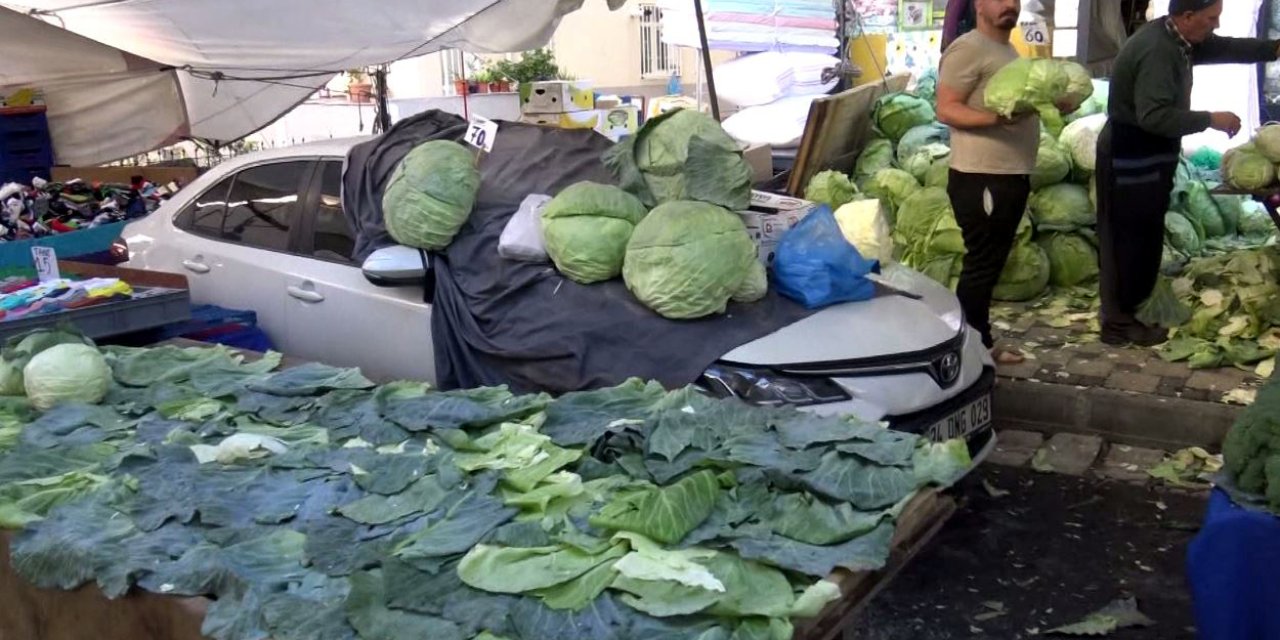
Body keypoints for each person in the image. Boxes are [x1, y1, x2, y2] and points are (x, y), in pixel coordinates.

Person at [1096, 0, 1280, 346]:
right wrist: (1211, 119)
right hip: (1131, 157)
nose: (1216, 25)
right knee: (1128, 242)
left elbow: (1224, 47)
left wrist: (1272, 49)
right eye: (1212, 18)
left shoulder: (1179, 38)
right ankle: (1118, 325)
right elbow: (1154, 116)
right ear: (1188, 16)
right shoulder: (1157, 50)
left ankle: (1135, 312)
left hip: (1150, 158)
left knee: (1145, 237)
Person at [936, 0, 1061, 364]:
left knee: (989, 265)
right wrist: (996, 119)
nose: (1010, 5)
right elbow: (946, 108)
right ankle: (970, 352)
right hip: (981, 176)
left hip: (1007, 174)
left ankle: (978, 344)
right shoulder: (967, 48)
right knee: (982, 265)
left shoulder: (1008, 51)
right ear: (978, 5)